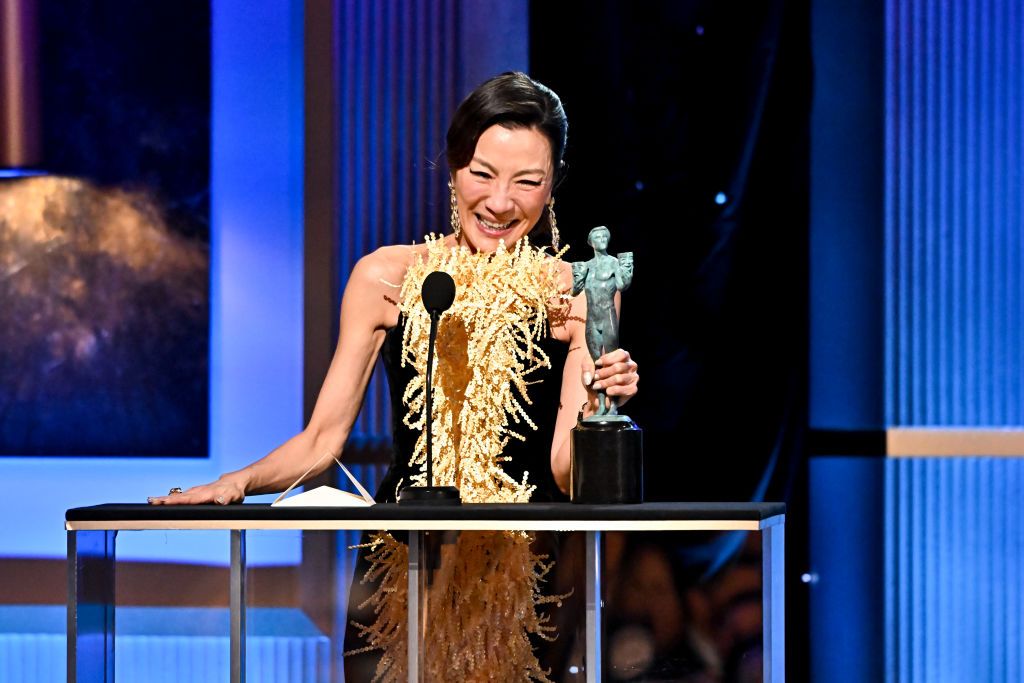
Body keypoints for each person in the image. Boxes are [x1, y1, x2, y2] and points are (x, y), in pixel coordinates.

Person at [149, 71, 639, 680]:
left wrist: (600, 402)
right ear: (453, 167)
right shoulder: (387, 276)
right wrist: (237, 482)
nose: (500, 201)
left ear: (553, 187)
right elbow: (321, 443)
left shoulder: (582, 292)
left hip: (519, 574)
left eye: (527, 182)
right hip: (402, 564)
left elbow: (567, 473)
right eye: (482, 174)